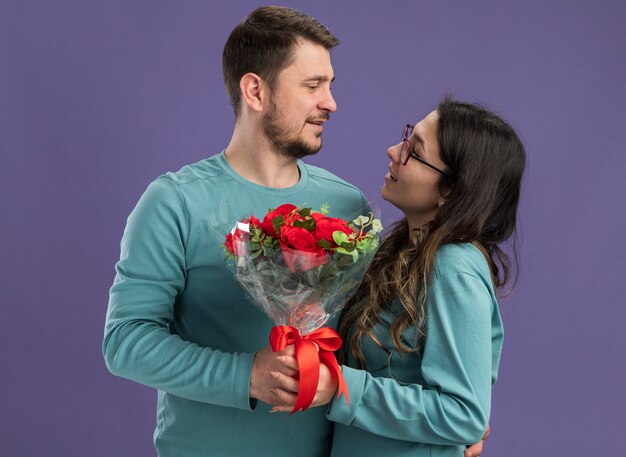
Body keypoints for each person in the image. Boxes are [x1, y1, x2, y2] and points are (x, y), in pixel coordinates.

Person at [103, 5, 488, 457]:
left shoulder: (348, 206)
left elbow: (372, 342)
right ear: (255, 92)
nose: (331, 102)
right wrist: (245, 377)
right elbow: (125, 341)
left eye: (330, 85)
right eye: (312, 86)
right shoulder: (174, 202)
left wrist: (451, 422)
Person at [270, 98, 525, 457]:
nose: (393, 150)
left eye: (413, 150)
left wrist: (341, 386)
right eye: (407, 137)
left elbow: (465, 414)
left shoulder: (455, 266)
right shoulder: (399, 249)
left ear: (449, 190)